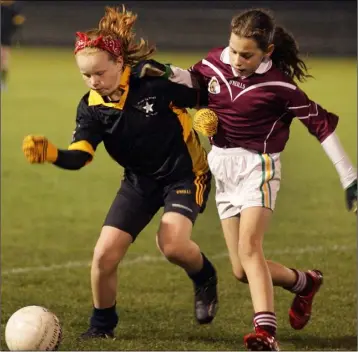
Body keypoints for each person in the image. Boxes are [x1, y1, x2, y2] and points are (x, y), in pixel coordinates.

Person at [136, 8, 357, 351]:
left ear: (267, 52)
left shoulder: (280, 86)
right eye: (234, 50)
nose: (237, 59)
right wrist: (166, 72)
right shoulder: (215, 62)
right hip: (222, 168)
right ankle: (305, 282)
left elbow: (322, 126)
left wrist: (350, 177)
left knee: (251, 249)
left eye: (247, 54)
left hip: (259, 167)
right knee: (241, 269)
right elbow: (195, 83)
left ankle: (266, 333)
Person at [21, 6, 219, 340]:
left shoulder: (151, 81)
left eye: (99, 72)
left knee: (171, 245)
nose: (93, 81)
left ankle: (204, 277)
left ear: (119, 63)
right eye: (86, 75)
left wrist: (207, 119)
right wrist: (53, 154)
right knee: (103, 256)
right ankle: (101, 327)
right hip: (139, 181)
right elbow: (82, 156)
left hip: (184, 175)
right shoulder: (92, 106)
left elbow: (205, 96)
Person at [1, 0, 25, 89]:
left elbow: (17, 22)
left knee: (4, 60)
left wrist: (17, 23)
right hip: (4, 36)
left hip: (5, 37)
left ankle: (3, 82)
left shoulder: (13, 8)